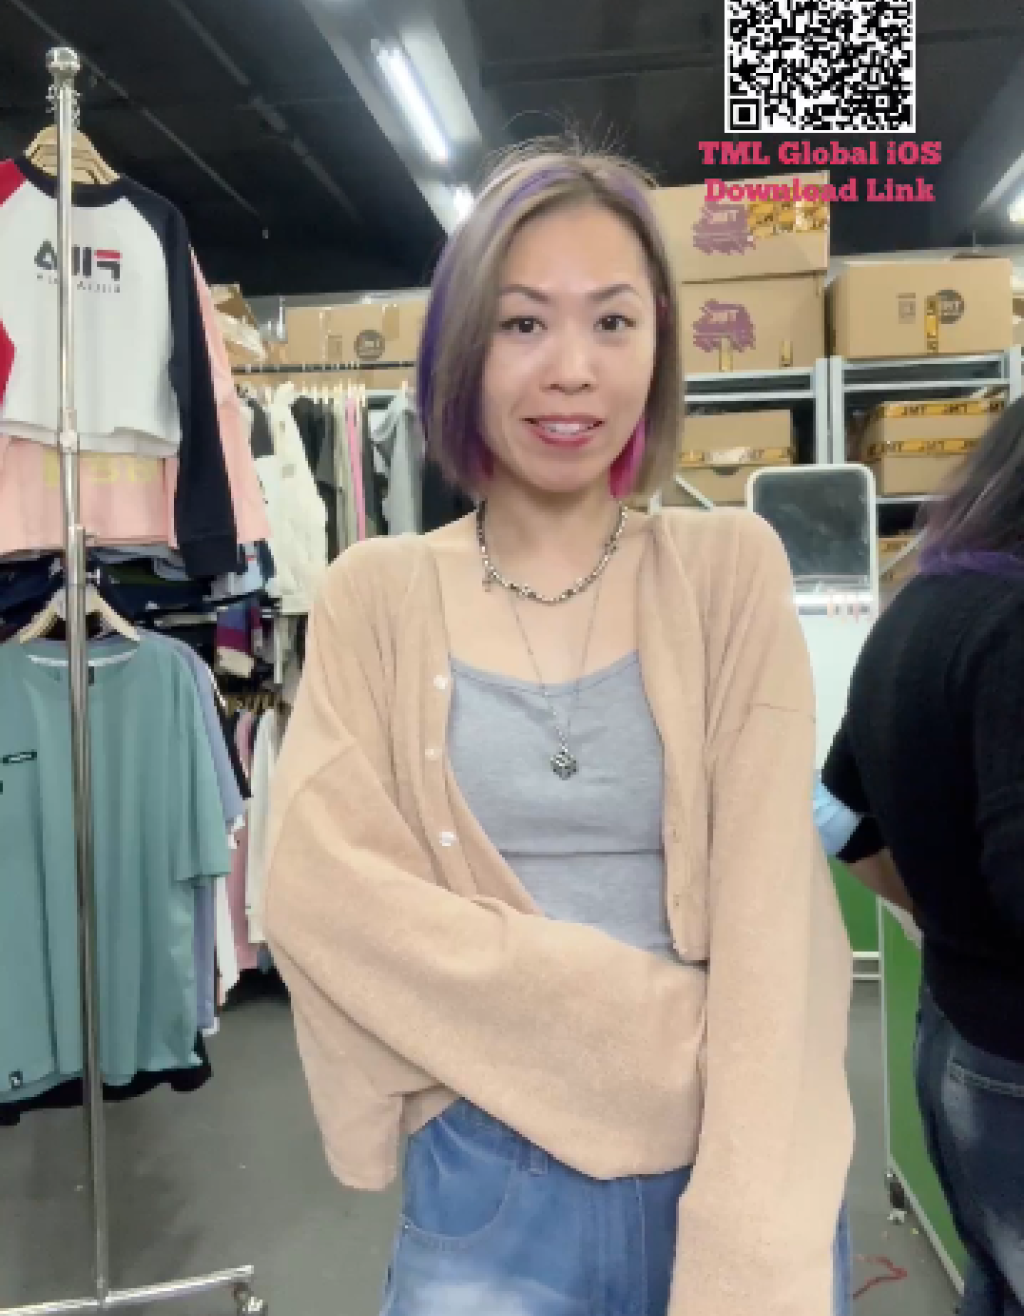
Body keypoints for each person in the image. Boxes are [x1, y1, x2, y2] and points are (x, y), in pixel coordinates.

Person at [264, 142, 853, 1316]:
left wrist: (744, 1213)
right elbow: (318, 895)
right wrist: (656, 1028)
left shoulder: (728, 571)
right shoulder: (376, 594)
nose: (572, 371)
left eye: (613, 322)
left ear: (658, 345)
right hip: (489, 1165)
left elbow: (774, 917)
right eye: (524, 324)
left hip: (737, 1141)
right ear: (462, 348)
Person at [818, 395, 1024, 1316]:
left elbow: (836, 810)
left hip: (955, 1031)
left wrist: (937, 912)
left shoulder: (924, 603)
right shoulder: (1012, 624)